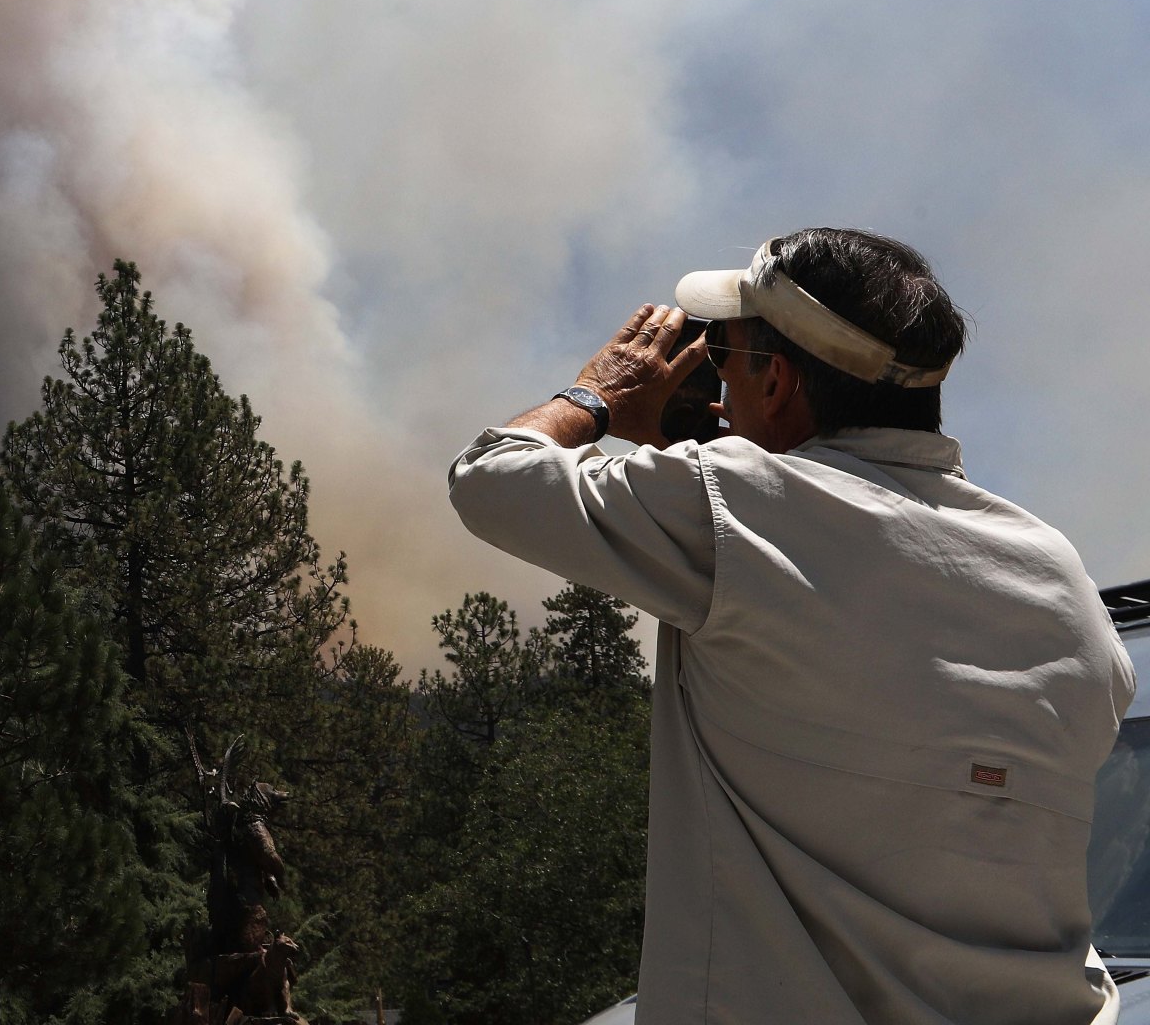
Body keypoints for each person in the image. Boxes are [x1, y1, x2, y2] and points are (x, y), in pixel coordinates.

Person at [448, 228, 1133, 1024]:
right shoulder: (1057, 570)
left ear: (776, 382)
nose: (717, 386)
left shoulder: (732, 504)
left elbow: (493, 478)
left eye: (724, 360)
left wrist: (600, 394)